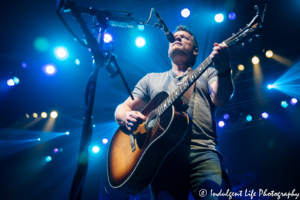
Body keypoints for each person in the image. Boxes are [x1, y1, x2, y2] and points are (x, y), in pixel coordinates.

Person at [114, 25, 234, 200]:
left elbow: (221, 99)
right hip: (163, 159)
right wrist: (126, 116)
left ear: (195, 50)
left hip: (203, 152)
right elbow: (121, 109)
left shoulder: (209, 73)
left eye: (183, 37)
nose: (176, 38)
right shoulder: (151, 79)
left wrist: (224, 71)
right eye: (174, 37)